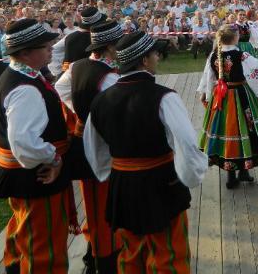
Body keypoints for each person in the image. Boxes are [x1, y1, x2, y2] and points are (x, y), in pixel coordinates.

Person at [84, 31, 207, 273]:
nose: (158, 58)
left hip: (122, 185)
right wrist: (191, 176)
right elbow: (186, 144)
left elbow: (94, 148)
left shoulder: (101, 101)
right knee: (168, 253)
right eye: (155, 54)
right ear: (144, 60)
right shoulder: (164, 97)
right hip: (161, 183)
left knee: (130, 252)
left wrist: (111, 174)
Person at [0, 20, 72, 273]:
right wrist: (54, 159)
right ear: (24, 53)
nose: (51, 49)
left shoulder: (20, 76)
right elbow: (24, 143)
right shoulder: (25, 89)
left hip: (27, 175)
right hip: (37, 176)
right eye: (44, 46)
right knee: (43, 246)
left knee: (24, 232)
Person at [55, 21, 124, 273]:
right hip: (104, 147)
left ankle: (94, 253)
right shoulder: (110, 78)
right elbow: (120, 113)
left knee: (93, 202)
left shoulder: (77, 66)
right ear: (110, 47)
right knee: (106, 204)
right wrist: (94, 117)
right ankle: (105, 259)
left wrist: (81, 114)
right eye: (119, 44)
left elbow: (60, 88)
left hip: (83, 143)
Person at [197, 25, 258, 189]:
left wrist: (204, 94)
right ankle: (243, 171)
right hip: (241, 96)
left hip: (221, 98)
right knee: (246, 130)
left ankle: (232, 176)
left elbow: (207, 78)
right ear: (235, 38)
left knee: (226, 131)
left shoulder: (214, 55)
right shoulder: (241, 55)